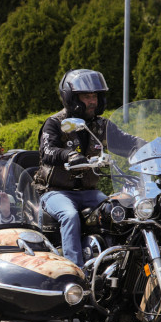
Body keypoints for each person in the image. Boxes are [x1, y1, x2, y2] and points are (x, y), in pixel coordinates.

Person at [33, 69, 145, 267]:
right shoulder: (55, 123)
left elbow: (126, 142)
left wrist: (155, 147)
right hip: (55, 192)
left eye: (95, 96)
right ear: (71, 97)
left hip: (89, 193)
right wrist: (69, 155)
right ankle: (75, 272)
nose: (92, 101)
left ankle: (118, 266)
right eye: (86, 96)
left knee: (120, 211)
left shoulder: (101, 125)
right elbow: (47, 151)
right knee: (69, 215)